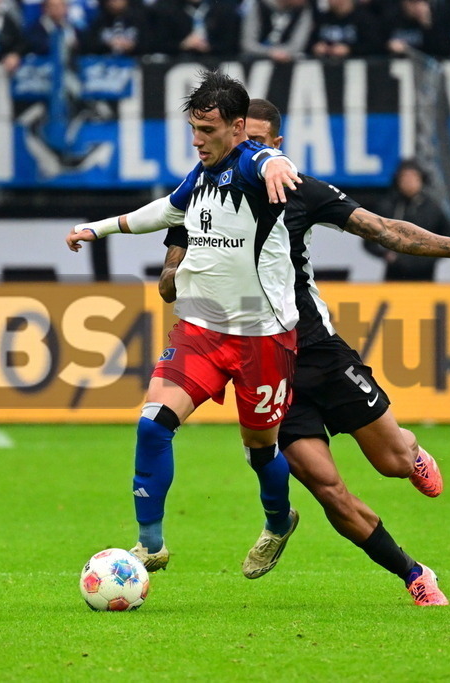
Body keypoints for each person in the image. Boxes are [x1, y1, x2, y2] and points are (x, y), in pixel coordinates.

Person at [159, 99, 450, 606]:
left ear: (275, 146)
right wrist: (186, 269)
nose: (247, 152)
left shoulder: (300, 191)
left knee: (390, 461)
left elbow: (384, 229)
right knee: (328, 490)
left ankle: (409, 451)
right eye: (241, 142)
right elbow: (167, 286)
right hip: (264, 371)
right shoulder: (199, 196)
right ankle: (413, 574)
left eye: (258, 143)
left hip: (320, 355)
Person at [66, 72, 305, 580]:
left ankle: (279, 521)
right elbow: (164, 212)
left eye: (208, 130)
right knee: (153, 425)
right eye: (193, 129)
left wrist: (278, 160)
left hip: (263, 337)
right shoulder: (202, 174)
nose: (197, 140)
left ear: (238, 128)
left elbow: (267, 159)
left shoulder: (251, 164)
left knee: (261, 451)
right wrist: (99, 228)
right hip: (200, 330)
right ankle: (150, 545)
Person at [363, 158, 450, 281]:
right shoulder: (388, 206)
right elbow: (368, 238)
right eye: (405, 177)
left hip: (425, 276)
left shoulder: (433, 207)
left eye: (413, 177)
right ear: (398, 180)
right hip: (395, 274)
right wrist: (386, 254)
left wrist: (432, 255)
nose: (409, 181)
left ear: (421, 179)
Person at [240, 0, 313, 62]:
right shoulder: (259, 6)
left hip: (288, 61)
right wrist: (271, 53)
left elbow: (298, 45)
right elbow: (248, 44)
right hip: (255, 61)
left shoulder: (303, 11)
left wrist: (283, 53)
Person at [310, 0, 384, 59]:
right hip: (325, 65)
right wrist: (316, 47)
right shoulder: (322, 19)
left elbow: (374, 45)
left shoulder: (364, 18)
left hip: (356, 67)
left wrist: (350, 50)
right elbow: (310, 41)